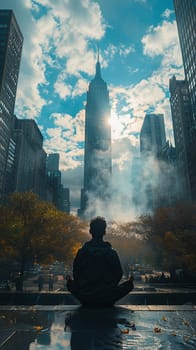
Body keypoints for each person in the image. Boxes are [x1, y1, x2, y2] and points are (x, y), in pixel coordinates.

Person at [66, 216, 134, 307]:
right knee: (129, 284)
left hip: (86, 296)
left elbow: (76, 274)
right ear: (104, 232)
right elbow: (118, 274)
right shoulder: (112, 253)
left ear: (90, 231)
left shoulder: (82, 252)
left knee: (70, 283)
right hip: (107, 297)